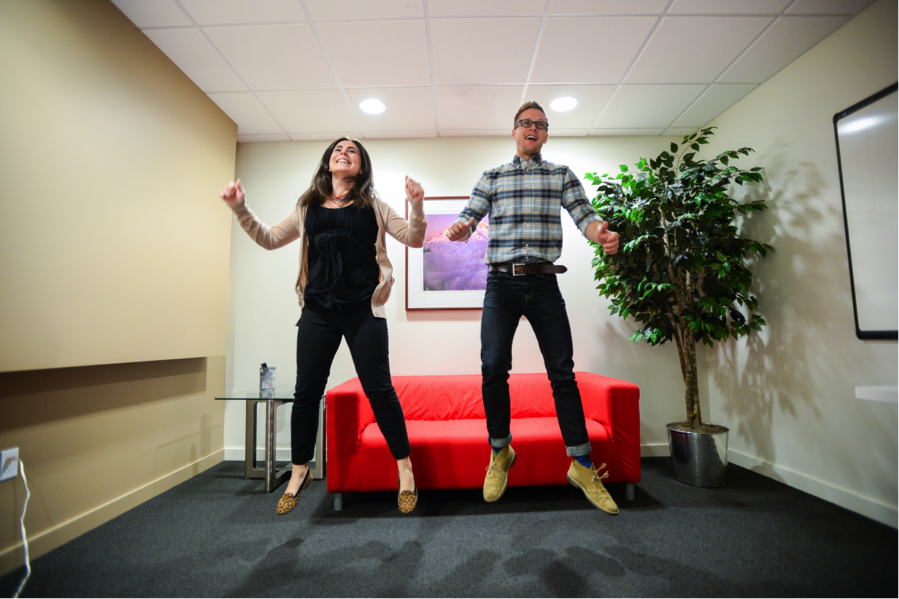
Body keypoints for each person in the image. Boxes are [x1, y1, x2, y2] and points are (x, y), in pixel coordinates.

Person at [219, 138, 426, 516]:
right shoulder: (307, 206)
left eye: (352, 151)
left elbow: (414, 238)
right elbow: (268, 239)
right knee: (307, 392)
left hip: (364, 310)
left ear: (361, 168)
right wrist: (240, 208)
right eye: (337, 149)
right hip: (318, 310)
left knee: (380, 390)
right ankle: (300, 470)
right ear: (328, 163)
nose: (343, 152)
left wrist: (416, 204)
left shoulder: (374, 206)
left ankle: (405, 469)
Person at [444, 101, 621, 515]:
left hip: (544, 283)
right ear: (514, 131)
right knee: (493, 368)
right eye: (526, 123)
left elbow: (586, 216)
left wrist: (602, 236)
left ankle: (581, 464)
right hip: (500, 284)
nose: (533, 128)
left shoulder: (560, 175)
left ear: (546, 134)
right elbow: (468, 217)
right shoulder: (493, 176)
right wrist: (458, 228)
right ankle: (501, 452)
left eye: (540, 124)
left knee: (562, 372)